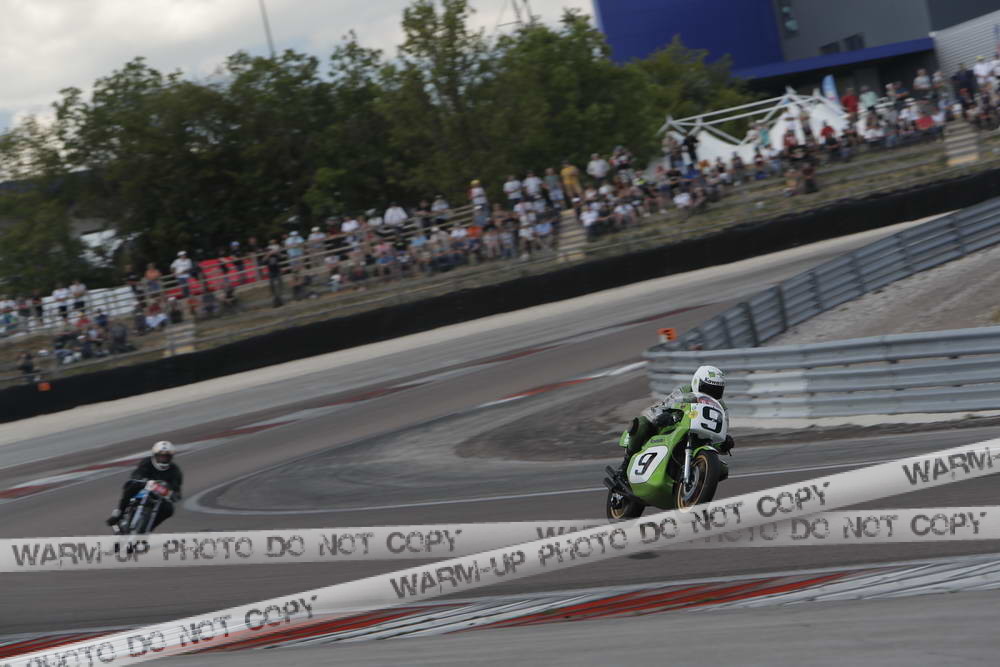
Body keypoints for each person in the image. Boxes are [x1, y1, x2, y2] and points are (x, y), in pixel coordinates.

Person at [615, 365, 735, 479]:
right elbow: (662, 407)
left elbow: (720, 432)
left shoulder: (721, 407)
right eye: (707, 388)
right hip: (676, 426)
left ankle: (697, 485)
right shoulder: (684, 391)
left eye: (716, 391)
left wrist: (725, 442)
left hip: (701, 439)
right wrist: (664, 416)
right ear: (696, 382)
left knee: (722, 470)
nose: (710, 394)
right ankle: (625, 465)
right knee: (641, 423)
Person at [106, 441, 182, 532]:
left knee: (169, 510)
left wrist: (173, 494)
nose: (163, 459)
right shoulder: (147, 462)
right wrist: (141, 480)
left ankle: (150, 527)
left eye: (166, 457)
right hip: (143, 487)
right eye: (160, 456)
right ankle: (119, 513)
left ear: (171, 457)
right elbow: (137, 474)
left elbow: (177, 491)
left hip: (159, 495)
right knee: (130, 486)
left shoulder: (175, 470)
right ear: (155, 455)